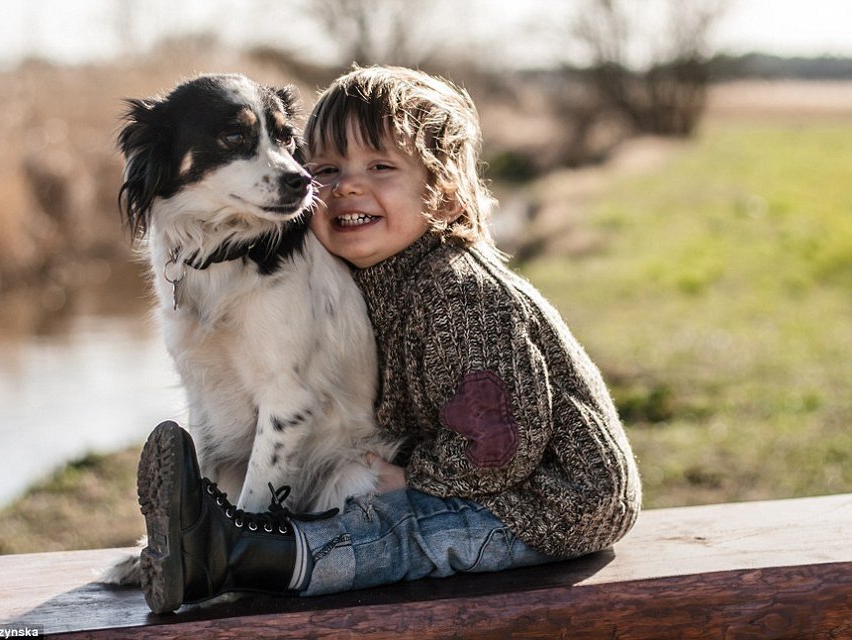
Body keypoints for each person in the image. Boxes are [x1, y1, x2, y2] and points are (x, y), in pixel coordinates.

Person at [136, 66, 642, 614]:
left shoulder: (458, 297)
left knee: (397, 535)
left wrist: (412, 476)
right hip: (482, 480)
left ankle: (255, 554)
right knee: (389, 516)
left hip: (552, 505)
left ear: (445, 195)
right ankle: (206, 538)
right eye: (326, 168)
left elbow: (500, 449)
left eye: (380, 167)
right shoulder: (373, 271)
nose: (344, 186)